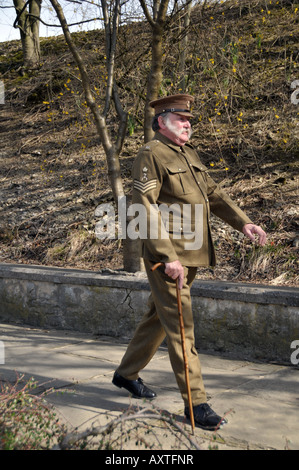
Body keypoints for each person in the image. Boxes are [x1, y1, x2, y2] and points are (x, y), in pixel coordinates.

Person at [112, 94, 267, 431]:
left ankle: (125, 374)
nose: (188, 124)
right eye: (181, 118)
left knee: (159, 318)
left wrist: (244, 222)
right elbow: (144, 208)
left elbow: (214, 194)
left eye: (190, 120)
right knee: (182, 328)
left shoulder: (187, 153)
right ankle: (195, 404)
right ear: (162, 120)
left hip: (190, 255)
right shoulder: (150, 154)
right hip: (168, 258)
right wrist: (167, 257)